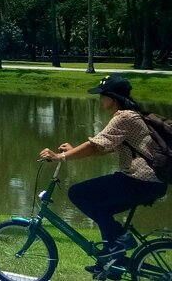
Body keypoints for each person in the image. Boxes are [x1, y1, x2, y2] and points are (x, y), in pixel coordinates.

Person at [40, 74, 167, 275]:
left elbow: (93, 146)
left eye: (102, 95)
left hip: (141, 181)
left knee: (78, 193)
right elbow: (103, 148)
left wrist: (60, 157)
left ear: (113, 98)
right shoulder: (132, 115)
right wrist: (73, 152)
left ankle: (120, 241)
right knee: (101, 210)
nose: (100, 99)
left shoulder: (124, 117)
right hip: (148, 183)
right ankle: (112, 263)